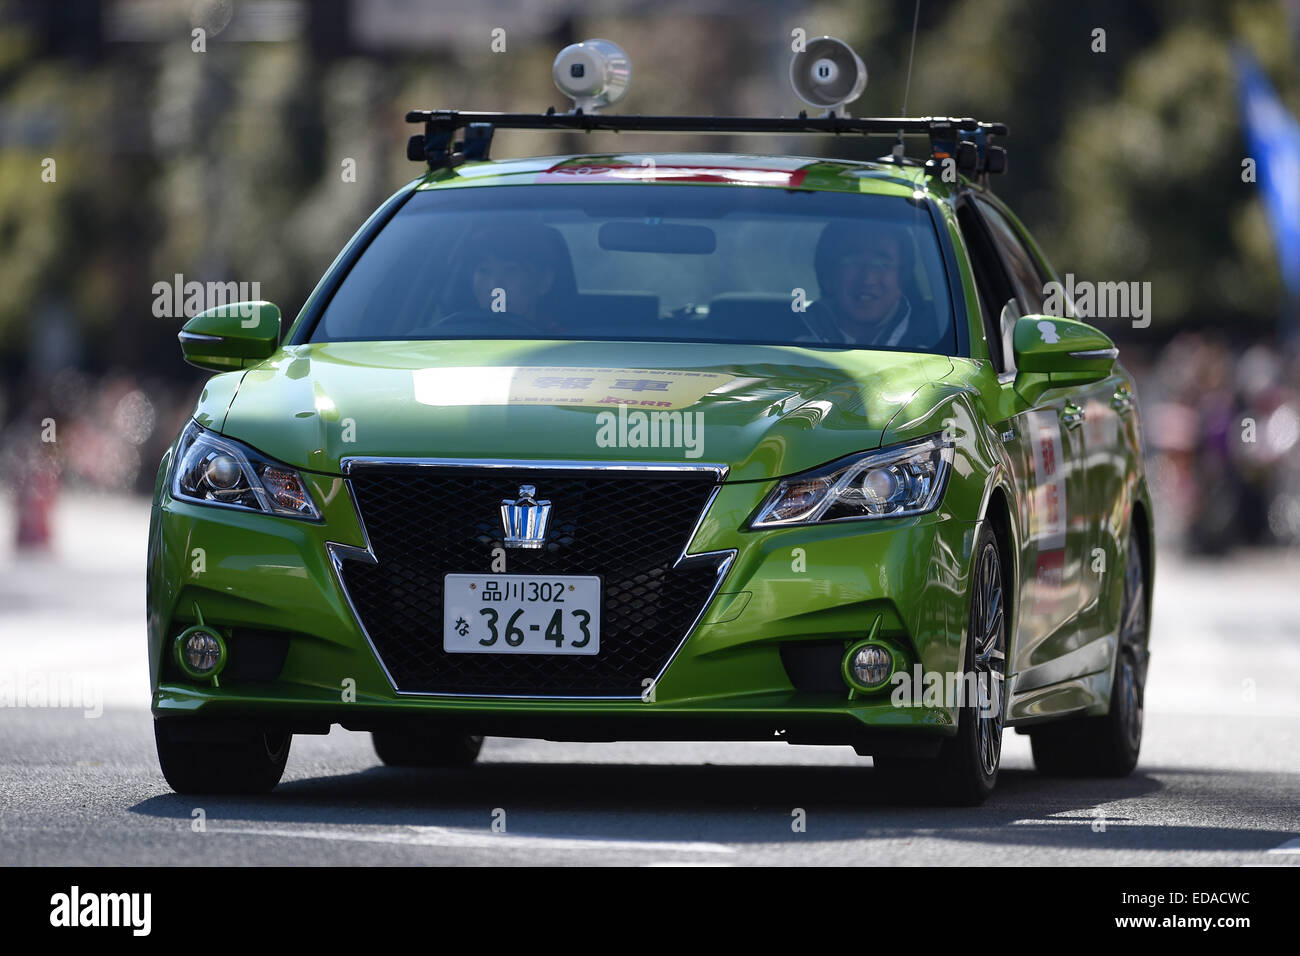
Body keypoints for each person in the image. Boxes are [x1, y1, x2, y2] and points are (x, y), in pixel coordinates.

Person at [801, 219, 921, 347]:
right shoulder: (789, 352)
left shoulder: (934, 356)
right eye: (853, 262)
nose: (868, 279)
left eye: (882, 264)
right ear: (828, 278)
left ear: (901, 280)